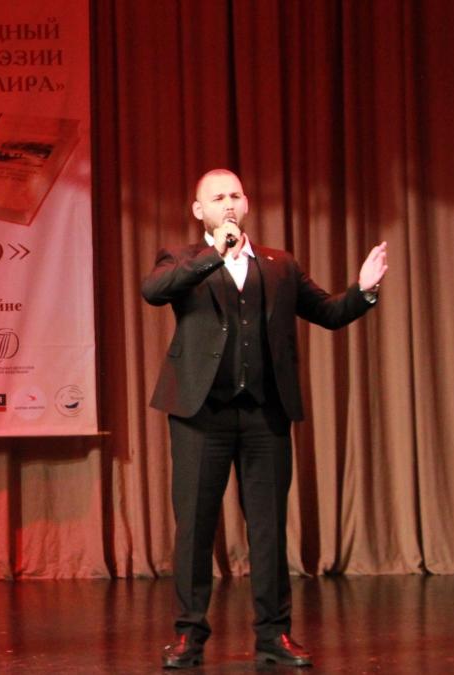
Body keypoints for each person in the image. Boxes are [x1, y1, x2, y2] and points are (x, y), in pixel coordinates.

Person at [142, 169, 388, 669]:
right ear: (199, 211)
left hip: (264, 415)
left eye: (235, 195)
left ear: (247, 203)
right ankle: (189, 635)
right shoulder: (182, 259)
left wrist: (362, 291)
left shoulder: (279, 264)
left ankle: (274, 635)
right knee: (194, 526)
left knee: (268, 527)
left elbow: (328, 313)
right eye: (217, 197)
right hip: (200, 416)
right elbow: (155, 290)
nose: (228, 204)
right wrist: (215, 254)